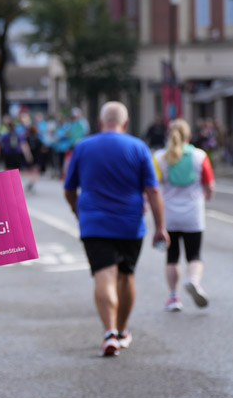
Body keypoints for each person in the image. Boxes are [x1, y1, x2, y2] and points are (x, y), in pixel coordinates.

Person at [64, 101, 168, 357]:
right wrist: (161, 227)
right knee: (126, 275)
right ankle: (121, 332)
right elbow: (153, 190)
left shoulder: (83, 146)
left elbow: (69, 188)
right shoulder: (139, 147)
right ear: (126, 123)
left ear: (100, 122)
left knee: (104, 275)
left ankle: (109, 332)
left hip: (94, 223)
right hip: (129, 223)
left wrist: (78, 211)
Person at [153, 118, 215, 312]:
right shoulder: (200, 156)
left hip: (169, 215)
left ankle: (174, 297)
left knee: (172, 256)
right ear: (189, 135)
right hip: (193, 214)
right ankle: (194, 281)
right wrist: (206, 195)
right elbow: (209, 186)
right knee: (194, 255)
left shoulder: (160, 157)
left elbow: (153, 186)